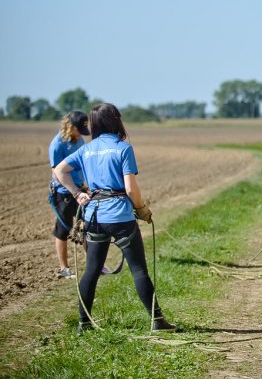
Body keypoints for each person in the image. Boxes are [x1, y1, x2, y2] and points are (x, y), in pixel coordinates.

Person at [52, 103, 176, 333]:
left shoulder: (87, 149)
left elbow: (59, 170)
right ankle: (157, 321)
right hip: (119, 217)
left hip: (94, 217)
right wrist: (141, 209)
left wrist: (77, 193)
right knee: (138, 269)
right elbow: (130, 189)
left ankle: (84, 323)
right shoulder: (123, 148)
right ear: (116, 120)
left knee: (91, 270)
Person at [48, 111, 89, 279]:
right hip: (64, 193)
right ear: (70, 126)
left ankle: (93, 264)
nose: (81, 133)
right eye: (79, 129)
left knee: (87, 227)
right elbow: (56, 172)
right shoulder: (57, 145)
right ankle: (64, 268)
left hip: (81, 190)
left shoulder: (80, 140)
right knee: (63, 230)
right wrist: (73, 191)